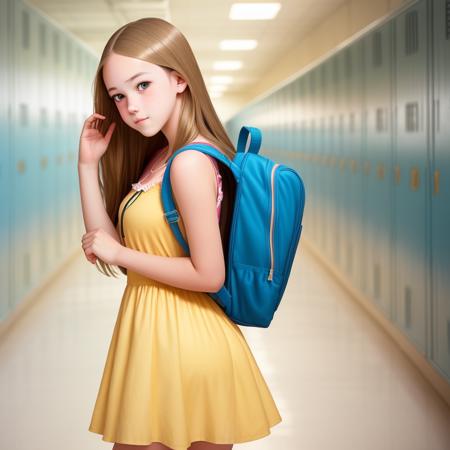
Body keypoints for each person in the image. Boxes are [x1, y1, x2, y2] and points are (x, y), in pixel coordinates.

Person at [78, 17, 282, 450]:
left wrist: (121, 255)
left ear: (179, 79)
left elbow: (210, 274)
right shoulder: (162, 158)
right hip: (156, 338)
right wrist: (87, 166)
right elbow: (106, 242)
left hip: (185, 344)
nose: (130, 104)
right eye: (118, 95)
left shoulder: (189, 163)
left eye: (142, 85)